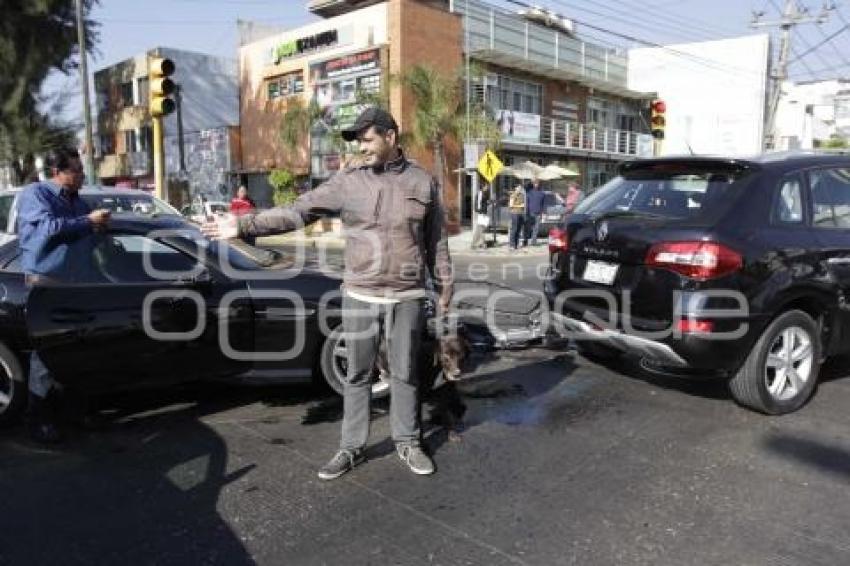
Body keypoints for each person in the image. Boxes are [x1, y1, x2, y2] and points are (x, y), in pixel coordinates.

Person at [202, 107, 453, 479]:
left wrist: (446, 287)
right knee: (357, 375)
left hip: (407, 296)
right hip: (360, 294)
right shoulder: (347, 182)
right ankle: (351, 447)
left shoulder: (421, 182)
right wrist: (243, 224)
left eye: (367, 139)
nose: (361, 147)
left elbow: (436, 241)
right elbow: (298, 211)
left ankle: (408, 441)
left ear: (390, 137)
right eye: (358, 141)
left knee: (405, 373)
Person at [17, 146, 111, 443]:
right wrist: (88, 222)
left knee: (78, 349)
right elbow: (46, 229)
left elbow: (89, 239)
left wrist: (100, 230)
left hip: (78, 284)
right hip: (48, 282)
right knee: (46, 354)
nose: (83, 175)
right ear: (58, 173)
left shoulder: (79, 203)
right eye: (77, 170)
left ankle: (76, 411)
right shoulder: (36, 195)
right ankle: (38, 418)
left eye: (82, 169)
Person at [524, 177, 545, 246]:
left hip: (538, 213)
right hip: (530, 213)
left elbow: (543, 204)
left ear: (539, 184)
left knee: (536, 228)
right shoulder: (529, 192)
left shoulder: (542, 193)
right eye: (535, 183)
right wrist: (526, 212)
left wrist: (543, 212)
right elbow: (527, 203)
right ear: (533, 184)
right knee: (529, 228)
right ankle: (525, 240)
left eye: (537, 183)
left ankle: (533, 241)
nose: (536, 185)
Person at [470, 182, 491, 250]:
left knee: (480, 229)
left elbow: (484, 202)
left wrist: (488, 203)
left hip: (483, 213)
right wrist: (480, 213)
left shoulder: (484, 193)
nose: (487, 187)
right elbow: (478, 204)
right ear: (483, 187)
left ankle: (475, 244)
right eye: (486, 186)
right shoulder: (480, 193)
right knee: (481, 229)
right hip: (481, 213)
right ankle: (482, 244)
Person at [507, 183, 526, 250]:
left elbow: (523, 203)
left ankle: (516, 244)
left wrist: (522, 206)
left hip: (520, 213)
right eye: (519, 188)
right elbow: (511, 205)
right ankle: (512, 245)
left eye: (520, 188)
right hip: (514, 213)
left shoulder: (522, 195)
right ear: (516, 188)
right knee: (514, 229)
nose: (520, 189)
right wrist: (520, 206)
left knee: (518, 229)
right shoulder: (513, 195)